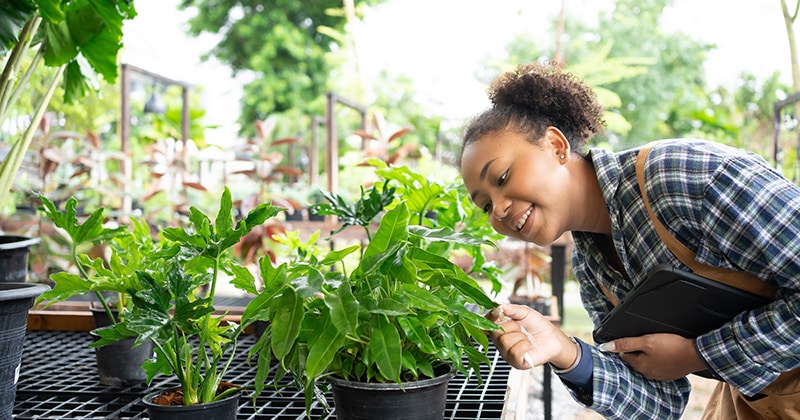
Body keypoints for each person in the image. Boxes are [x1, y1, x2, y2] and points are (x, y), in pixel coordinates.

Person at [459, 61, 800, 419]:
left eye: (501, 176)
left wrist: (696, 354)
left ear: (556, 145)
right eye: (484, 206)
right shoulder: (592, 272)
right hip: (756, 402)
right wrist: (565, 351)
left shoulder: (684, 178)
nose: (497, 209)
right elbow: (660, 403)